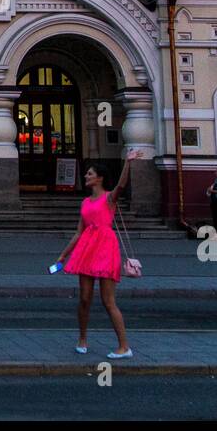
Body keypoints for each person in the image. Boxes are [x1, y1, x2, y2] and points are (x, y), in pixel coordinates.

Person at [55, 150, 139, 359]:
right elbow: (78, 232)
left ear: (99, 178)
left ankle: (124, 346)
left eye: (90, 174)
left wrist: (127, 162)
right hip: (86, 249)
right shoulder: (85, 202)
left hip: (105, 248)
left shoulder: (109, 198)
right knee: (84, 298)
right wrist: (63, 255)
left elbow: (121, 185)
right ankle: (82, 339)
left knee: (108, 301)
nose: (86, 176)